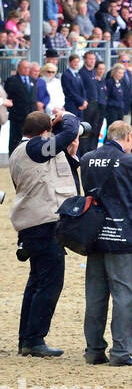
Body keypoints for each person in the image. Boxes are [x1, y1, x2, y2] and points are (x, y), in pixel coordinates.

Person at [79, 121, 132, 367]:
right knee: (124, 294)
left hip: (94, 232)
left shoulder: (87, 158)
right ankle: (121, 352)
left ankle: (94, 349)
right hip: (122, 233)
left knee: (95, 295)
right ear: (130, 137)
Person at [9, 109, 81, 357]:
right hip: (42, 223)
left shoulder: (23, 149)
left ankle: (27, 339)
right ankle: (35, 339)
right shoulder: (36, 149)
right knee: (50, 282)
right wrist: (67, 117)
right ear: (44, 132)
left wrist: (66, 143)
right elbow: (70, 131)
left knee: (37, 282)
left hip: (33, 223)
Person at [5, 60, 37, 154]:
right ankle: (13, 160)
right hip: (17, 117)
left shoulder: (33, 80)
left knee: (30, 140)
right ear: (19, 68)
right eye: (24, 67)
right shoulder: (11, 80)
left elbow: (33, 98)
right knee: (15, 140)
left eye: (28, 68)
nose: (26, 70)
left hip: (31, 117)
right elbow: (8, 98)